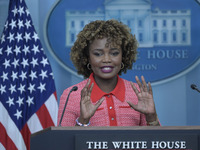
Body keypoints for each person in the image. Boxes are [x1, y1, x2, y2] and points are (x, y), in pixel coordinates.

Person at [57, 19, 160, 126]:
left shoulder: (138, 93)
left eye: (114, 53)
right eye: (98, 54)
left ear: (123, 56)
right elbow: (63, 142)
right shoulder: (72, 95)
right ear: (87, 58)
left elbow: (158, 142)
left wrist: (151, 117)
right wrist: (83, 121)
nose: (106, 59)